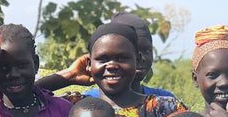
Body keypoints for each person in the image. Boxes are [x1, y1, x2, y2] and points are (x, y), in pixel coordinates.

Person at [36, 11, 176, 98]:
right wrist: (68, 76)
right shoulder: (85, 104)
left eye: (146, 50)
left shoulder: (163, 102)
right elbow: (22, 98)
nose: (142, 58)